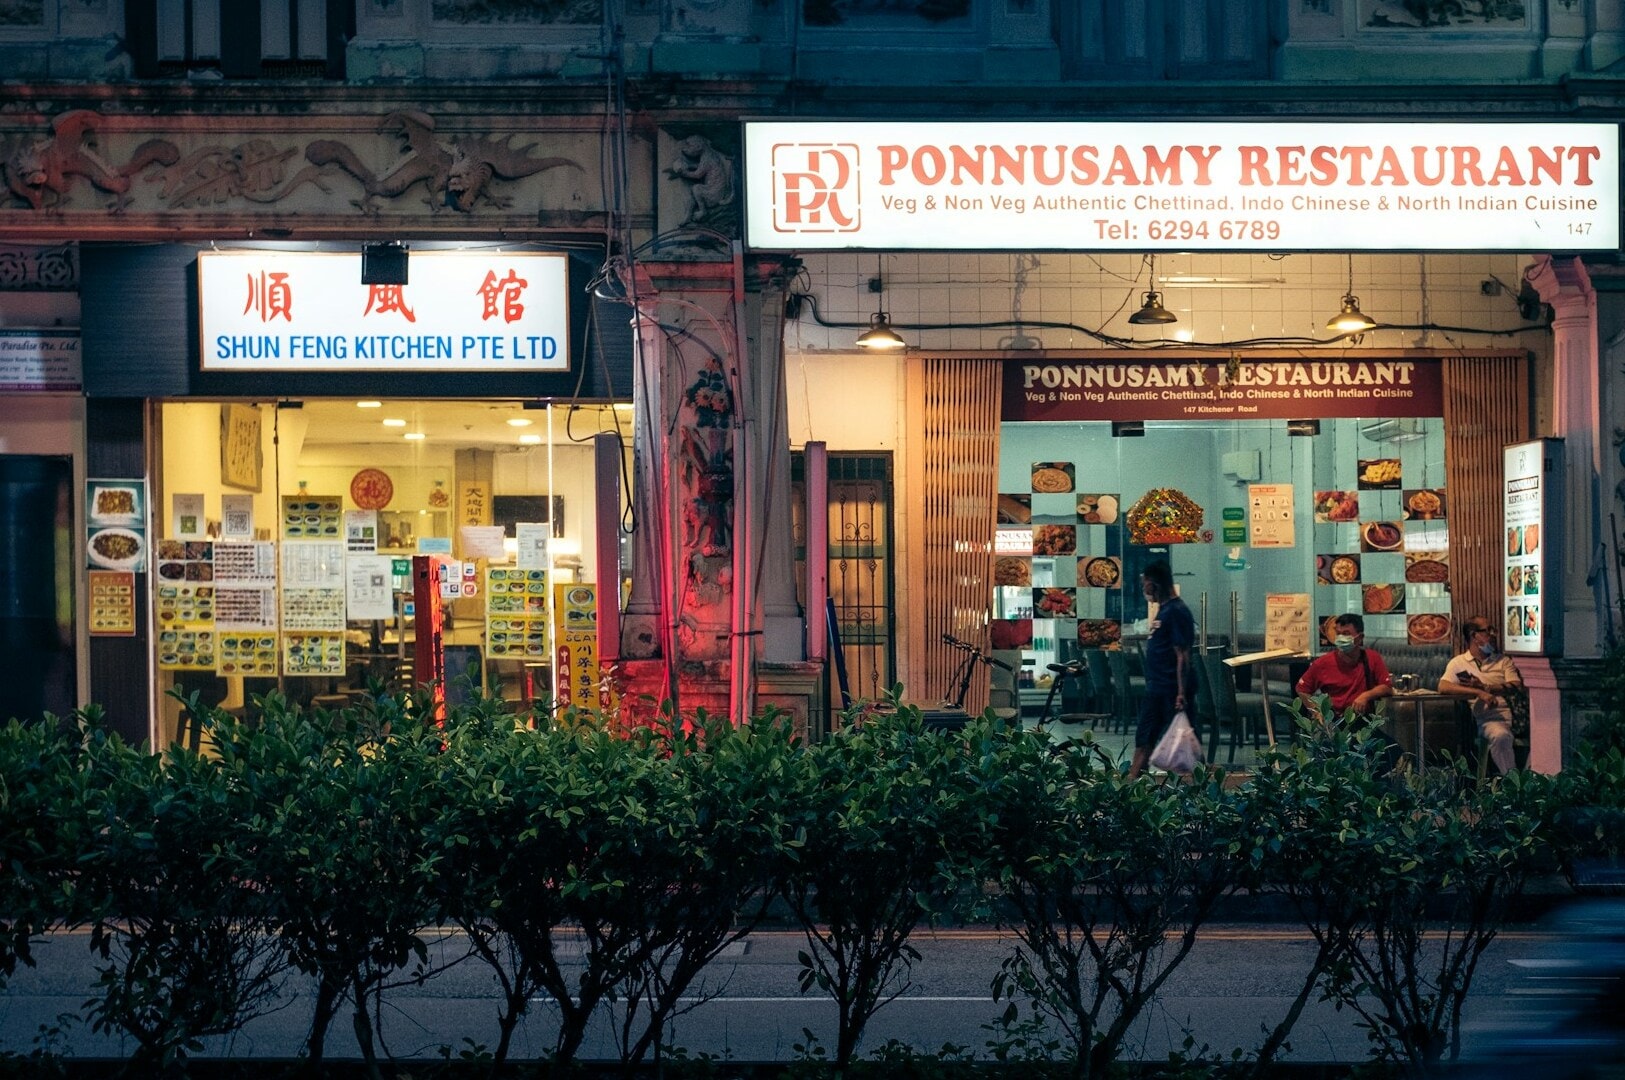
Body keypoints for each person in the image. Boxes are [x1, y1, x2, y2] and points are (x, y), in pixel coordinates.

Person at [1129, 559, 1195, 779]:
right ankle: (1132, 787)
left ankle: (1191, 792)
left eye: (1145, 584)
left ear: (1154, 584)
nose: (1143, 590)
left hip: (1169, 690)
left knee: (1178, 743)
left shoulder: (1177, 611)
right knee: (1145, 738)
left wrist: (1181, 692)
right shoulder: (1164, 610)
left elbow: (1182, 654)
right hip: (1156, 688)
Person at [1438, 617, 1522, 774]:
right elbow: (1443, 686)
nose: (1493, 634)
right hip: (1490, 719)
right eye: (1488, 630)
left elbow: (1515, 685)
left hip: (1519, 718)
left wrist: (1485, 687)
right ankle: (1513, 784)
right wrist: (1478, 692)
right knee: (1501, 736)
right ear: (1474, 635)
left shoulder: (1503, 661)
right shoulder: (1459, 663)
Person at [1296, 612, 1394, 722]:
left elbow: (1387, 687)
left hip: (1363, 720)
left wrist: (1366, 696)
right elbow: (1302, 689)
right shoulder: (1322, 663)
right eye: (1338, 634)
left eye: (1346, 634)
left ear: (1360, 637)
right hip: (1335, 721)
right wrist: (1316, 711)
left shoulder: (1371, 658)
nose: (1341, 638)